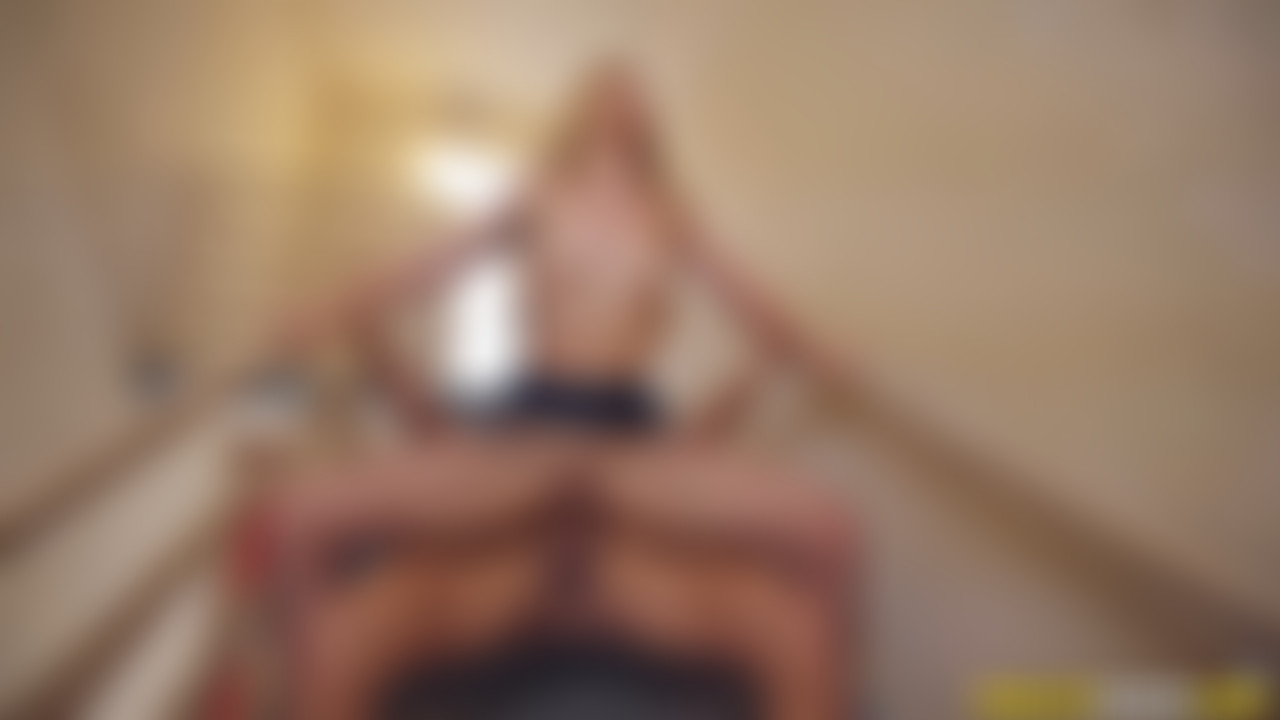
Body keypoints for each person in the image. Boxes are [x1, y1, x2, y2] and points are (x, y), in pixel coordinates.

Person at [231, 64, 859, 720]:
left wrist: (810, 350)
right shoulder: (538, 193)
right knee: (305, 523)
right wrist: (333, 310)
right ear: (579, 108)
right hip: (534, 416)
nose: (622, 93)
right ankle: (273, 686)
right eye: (607, 83)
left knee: (823, 538)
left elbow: (749, 297)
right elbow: (433, 260)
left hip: (625, 422)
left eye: (635, 89)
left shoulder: (669, 210)